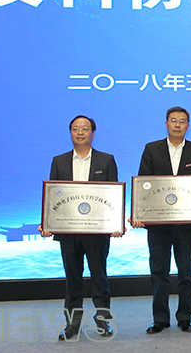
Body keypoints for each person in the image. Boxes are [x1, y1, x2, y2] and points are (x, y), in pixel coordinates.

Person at [39, 115, 123, 340]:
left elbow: (113, 195)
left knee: (99, 278)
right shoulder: (59, 161)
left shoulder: (106, 160)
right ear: (70, 133)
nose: (80, 132)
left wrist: (116, 223)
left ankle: (103, 321)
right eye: (76, 129)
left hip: (97, 232)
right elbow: (53, 195)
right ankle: (72, 324)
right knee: (73, 279)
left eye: (85, 129)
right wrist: (47, 222)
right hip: (68, 232)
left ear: (92, 133)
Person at [133, 107, 191, 334]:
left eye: (182, 121)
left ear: (188, 126)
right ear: (166, 124)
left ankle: (185, 317)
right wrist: (139, 214)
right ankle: (160, 318)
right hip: (158, 225)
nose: (177, 125)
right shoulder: (152, 149)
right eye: (173, 121)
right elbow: (143, 184)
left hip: (186, 224)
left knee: (186, 273)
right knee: (159, 272)